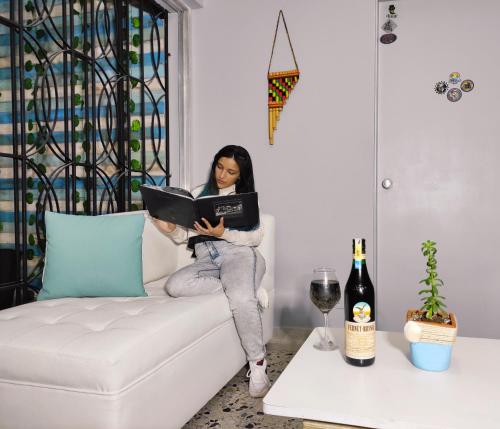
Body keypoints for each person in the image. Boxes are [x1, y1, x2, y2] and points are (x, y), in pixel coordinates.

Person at [152, 145, 271, 398]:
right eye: (219, 166)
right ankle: (245, 288)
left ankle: (258, 363)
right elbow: (183, 236)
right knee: (175, 285)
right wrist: (169, 227)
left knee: (240, 300)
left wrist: (223, 233)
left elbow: (257, 236)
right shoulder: (198, 193)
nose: (222, 175)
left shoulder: (245, 198)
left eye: (230, 171)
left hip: (239, 254)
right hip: (207, 259)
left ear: (240, 175)